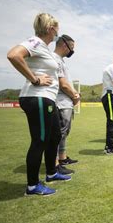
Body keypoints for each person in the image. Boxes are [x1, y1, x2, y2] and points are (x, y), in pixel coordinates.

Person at [7, 12, 71, 196]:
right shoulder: (34, 42)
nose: (58, 32)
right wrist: (34, 79)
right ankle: (33, 186)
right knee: (40, 141)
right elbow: (13, 55)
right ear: (51, 29)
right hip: (38, 98)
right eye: (57, 28)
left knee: (54, 137)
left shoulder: (44, 47)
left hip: (47, 99)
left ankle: (51, 173)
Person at [54, 35, 80, 175]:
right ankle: (56, 163)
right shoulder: (54, 59)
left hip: (66, 102)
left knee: (64, 133)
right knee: (59, 134)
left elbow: (67, 83)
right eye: (72, 48)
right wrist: (75, 96)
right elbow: (63, 85)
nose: (72, 51)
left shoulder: (61, 61)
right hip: (61, 103)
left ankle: (62, 158)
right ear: (65, 45)